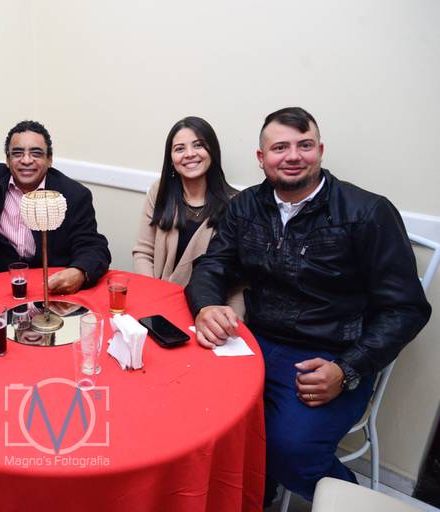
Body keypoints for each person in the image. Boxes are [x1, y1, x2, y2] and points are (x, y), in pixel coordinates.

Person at [185, 107, 431, 505]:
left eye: (305, 145)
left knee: (291, 450)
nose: (293, 156)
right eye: (280, 147)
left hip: (330, 354)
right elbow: (213, 265)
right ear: (261, 157)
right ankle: (253, 494)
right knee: (190, 410)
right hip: (254, 342)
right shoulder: (245, 206)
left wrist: (347, 369)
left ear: (320, 150)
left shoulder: (367, 212)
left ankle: (352, 501)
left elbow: (405, 309)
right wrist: (207, 306)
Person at [0, 120, 110, 295]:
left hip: (51, 287)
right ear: (7, 160)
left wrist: (79, 271)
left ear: (49, 159)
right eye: (17, 153)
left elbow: (93, 246)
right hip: (1, 285)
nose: (26, 160)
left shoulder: (74, 195)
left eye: (36, 153)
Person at [132, 116, 242, 312]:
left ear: (212, 151)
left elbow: (239, 281)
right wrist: (151, 296)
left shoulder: (236, 204)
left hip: (207, 310)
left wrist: (232, 318)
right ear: (171, 159)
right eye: (180, 149)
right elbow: (143, 252)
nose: (189, 154)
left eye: (198, 145)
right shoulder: (160, 191)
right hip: (156, 302)